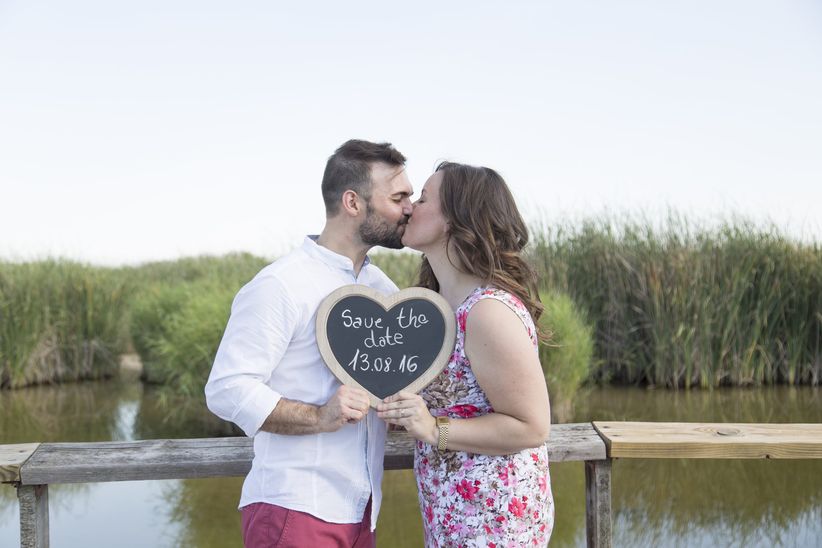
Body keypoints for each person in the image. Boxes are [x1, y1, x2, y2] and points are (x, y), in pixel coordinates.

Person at [205, 139, 413, 548]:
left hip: (363, 511)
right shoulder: (280, 284)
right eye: (398, 196)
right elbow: (227, 389)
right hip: (294, 511)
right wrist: (320, 416)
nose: (409, 206)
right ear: (353, 203)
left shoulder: (383, 290)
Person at [376, 161, 554, 547]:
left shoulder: (487, 311)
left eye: (422, 199)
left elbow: (532, 426)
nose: (408, 207)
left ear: (456, 219)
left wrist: (432, 428)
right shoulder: (437, 308)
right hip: (453, 519)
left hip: (497, 526)